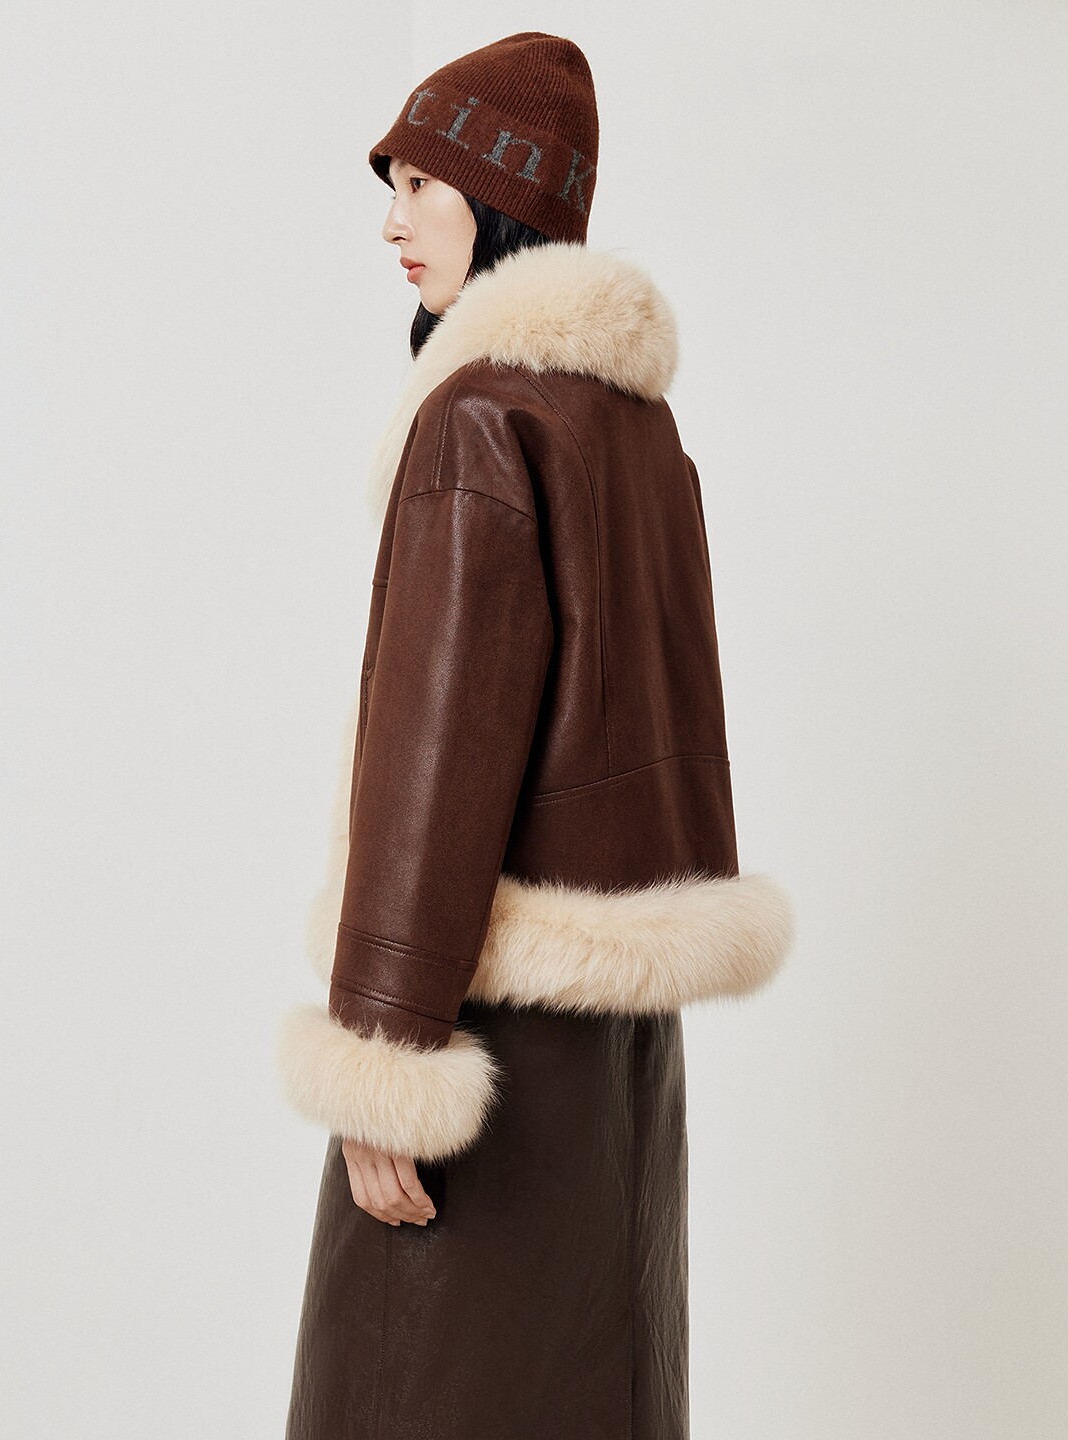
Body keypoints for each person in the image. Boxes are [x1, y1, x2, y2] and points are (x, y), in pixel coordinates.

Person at [277, 31, 795, 1439]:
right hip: (616, 1048)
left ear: (500, 200)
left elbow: (439, 750)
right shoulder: (640, 432)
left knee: (416, 1394)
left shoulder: (479, 419)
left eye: (421, 185)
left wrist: (387, 1048)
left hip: (479, 1034)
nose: (392, 222)